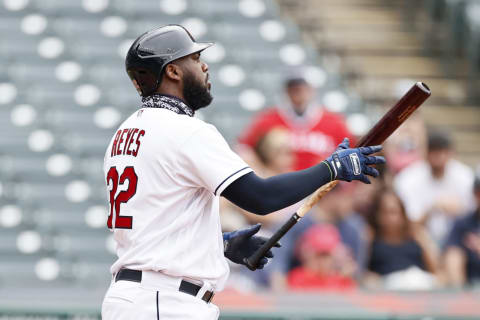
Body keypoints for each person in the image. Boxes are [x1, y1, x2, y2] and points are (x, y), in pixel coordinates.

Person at [101, 25, 385, 320]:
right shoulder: (185, 131)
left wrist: (218, 244)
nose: (204, 65)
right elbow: (260, 197)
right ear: (173, 71)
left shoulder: (125, 133)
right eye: (195, 58)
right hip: (165, 301)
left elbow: (156, 218)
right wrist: (333, 168)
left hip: (137, 296)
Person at [237, 74, 353, 171]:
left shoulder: (333, 121)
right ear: (286, 91)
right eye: (293, 89)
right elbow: (244, 149)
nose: (297, 93)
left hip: (323, 189)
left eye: (301, 88)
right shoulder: (268, 119)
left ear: (311, 90)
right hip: (280, 187)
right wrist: (262, 173)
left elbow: (351, 152)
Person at [394, 130, 475, 246]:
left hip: (459, 239)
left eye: (443, 152)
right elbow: (408, 224)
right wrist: (432, 209)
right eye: (434, 152)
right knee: (420, 235)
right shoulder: (408, 178)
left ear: (451, 153)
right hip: (419, 240)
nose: (439, 157)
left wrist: (458, 210)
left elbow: (473, 217)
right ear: (426, 152)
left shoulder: (465, 176)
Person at [364, 189, 439, 290]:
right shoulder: (370, 238)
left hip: (420, 285)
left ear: (402, 214)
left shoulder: (416, 236)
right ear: (377, 216)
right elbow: (364, 271)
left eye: (393, 212)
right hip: (388, 289)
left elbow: (435, 270)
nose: (389, 218)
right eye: (384, 213)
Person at [287, 224, 356, 291]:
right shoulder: (297, 278)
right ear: (307, 254)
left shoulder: (343, 281)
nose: (322, 261)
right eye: (318, 255)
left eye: (326, 255)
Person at [444, 174, 480, 287]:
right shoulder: (464, 223)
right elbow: (452, 255)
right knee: (454, 256)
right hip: (471, 285)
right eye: (478, 192)